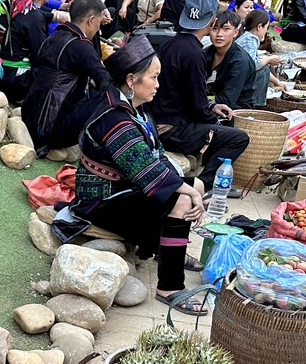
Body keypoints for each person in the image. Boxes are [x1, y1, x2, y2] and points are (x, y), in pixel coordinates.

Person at [50, 36, 209, 315]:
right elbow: (145, 172)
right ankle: (169, 287)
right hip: (101, 200)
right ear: (132, 80)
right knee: (182, 199)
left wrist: (192, 187)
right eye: (154, 77)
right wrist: (190, 193)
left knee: (193, 183)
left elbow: (155, 157)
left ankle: (169, 247)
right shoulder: (115, 117)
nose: (158, 85)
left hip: (122, 187)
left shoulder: (135, 110)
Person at [150, 0, 250, 191]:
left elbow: (190, 95)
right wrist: (212, 122)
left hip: (160, 119)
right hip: (170, 129)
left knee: (219, 122)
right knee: (238, 137)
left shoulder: (173, 43)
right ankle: (203, 183)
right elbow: (197, 106)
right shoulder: (194, 52)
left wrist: (211, 105)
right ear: (212, 21)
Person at [22, 0, 113, 154]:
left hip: (30, 115)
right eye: (99, 23)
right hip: (50, 129)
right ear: (91, 20)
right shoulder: (81, 46)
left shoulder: (56, 35)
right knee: (109, 99)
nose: (98, 28)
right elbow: (105, 81)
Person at [0, 0, 52, 104]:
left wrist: (55, 16)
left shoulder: (22, 8)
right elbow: (39, 55)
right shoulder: (33, 17)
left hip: (8, 74)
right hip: (18, 81)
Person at [204, 10, 257, 110]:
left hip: (236, 111)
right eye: (215, 29)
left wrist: (198, 99)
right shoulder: (206, 53)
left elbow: (227, 100)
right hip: (208, 105)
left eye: (226, 29)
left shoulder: (240, 61)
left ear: (235, 32)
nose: (219, 34)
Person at [236, 8, 285, 107]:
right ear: (259, 27)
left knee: (264, 68)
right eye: (266, 27)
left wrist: (277, 82)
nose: (266, 30)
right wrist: (269, 59)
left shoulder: (246, 36)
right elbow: (253, 64)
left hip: (238, 76)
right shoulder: (250, 39)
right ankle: (255, 105)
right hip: (236, 79)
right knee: (263, 69)